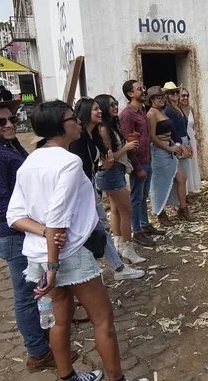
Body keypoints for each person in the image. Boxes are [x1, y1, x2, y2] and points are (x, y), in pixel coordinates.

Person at [7, 100, 147, 381]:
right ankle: (116, 378)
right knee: (102, 319)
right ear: (60, 126)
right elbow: (57, 217)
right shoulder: (69, 162)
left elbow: (15, 216)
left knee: (61, 319)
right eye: (73, 118)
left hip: (41, 254)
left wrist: (44, 235)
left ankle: (67, 376)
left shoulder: (30, 162)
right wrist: (52, 264)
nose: (78, 122)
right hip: (67, 254)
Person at [0, 95, 74, 372]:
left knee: (41, 290)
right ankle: (38, 353)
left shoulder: (9, 145)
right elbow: (1, 208)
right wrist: (43, 230)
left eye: (12, 119)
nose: (9, 124)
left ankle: (47, 336)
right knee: (26, 296)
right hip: (15, 235)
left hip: (29, 231)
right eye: (0, 121)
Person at [70, 97, 145, 281]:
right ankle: (121, 256)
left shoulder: (93, 134)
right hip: (89, 187)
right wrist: (124, 149)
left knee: (105, 222)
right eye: (96, 109)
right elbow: (85, 167)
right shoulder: (81, 138)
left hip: (94, 183)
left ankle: (116, 263)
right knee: (121, 213)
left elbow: (99, 164)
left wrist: (106, 162)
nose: (101, 111)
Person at [93, 94, 147, 264]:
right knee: (127, 211)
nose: (115, 107)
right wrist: (127, 147)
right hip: (111, 173)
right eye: (111, 105)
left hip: (114, 173)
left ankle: (118, 245)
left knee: (116, 210)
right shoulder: (104, 129)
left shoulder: (111, 126)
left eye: (116, 104)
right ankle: (128, 249)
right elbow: (109, 158)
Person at [119, 80, 165, 244]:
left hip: (147, 158)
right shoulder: (127, 114)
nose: (144, 91)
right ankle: (137, 231)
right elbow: (128, 142)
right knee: (136, 197)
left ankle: (145, 225)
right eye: (140, 89)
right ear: (130, 94)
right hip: (138, 162)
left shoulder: (142, 110)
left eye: (143, 87)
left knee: (143, 196)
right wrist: (137, 167)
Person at [147, 85, 194, 224]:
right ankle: (160, 213)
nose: (161, 99)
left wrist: (176, 145)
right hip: (159, 152)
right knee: (159, 183)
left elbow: (170, 132)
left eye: (162, 96)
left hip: (169, 149)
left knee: (181, 178)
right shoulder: (151, 114)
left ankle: (183, 209)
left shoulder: (162, 111)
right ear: (151, 99)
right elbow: (152, 137)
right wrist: (169, 148)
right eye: (158, 97)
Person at [179, 87, 201, 203]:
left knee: (192, 164)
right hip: (181, 140)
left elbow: (194, 125)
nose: (185, 98)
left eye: (187, 95)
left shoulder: (191, 109)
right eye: (183, 95)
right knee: (184, 166)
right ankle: (183, 193)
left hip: (191, 139)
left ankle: (190, 190)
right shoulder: (176, 110)